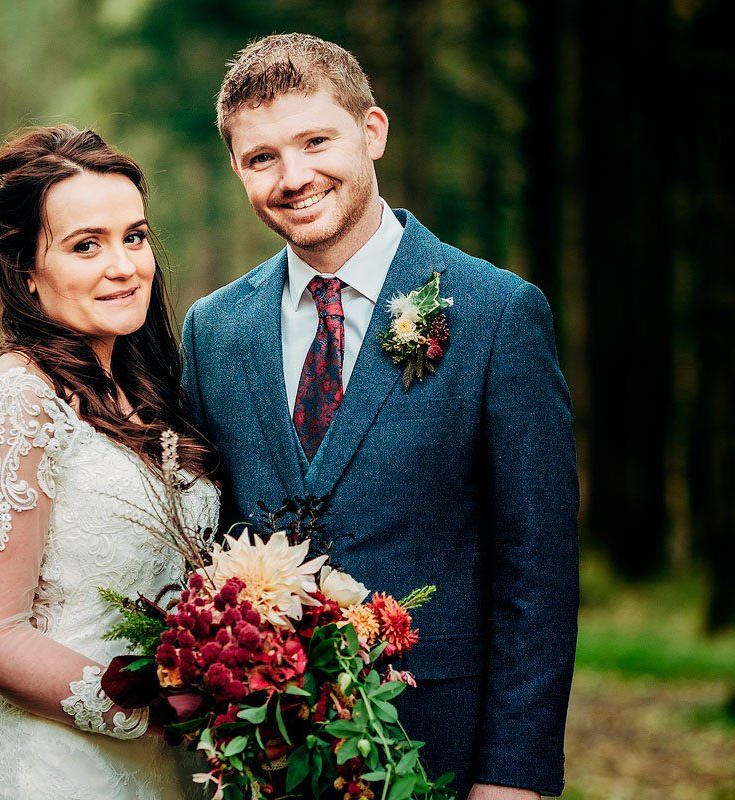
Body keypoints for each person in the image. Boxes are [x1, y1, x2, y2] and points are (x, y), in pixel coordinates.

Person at [181, 34, 579, 798]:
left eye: (315, 141)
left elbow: (539, 572)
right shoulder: (214, 329)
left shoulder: (498, 314)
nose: (294, 177)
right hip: (265, 756)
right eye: (261, 157)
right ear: (237, 170)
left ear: (372, 132)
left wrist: (514, 778)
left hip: (440, 746)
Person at [0, 125, 217, 799]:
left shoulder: (155, 390)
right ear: (27, 273)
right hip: (55, 770)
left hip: (163, 775)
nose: (125, 265)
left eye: (134, 236)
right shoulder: (19, 398)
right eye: (86, 245)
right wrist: (151, 711)